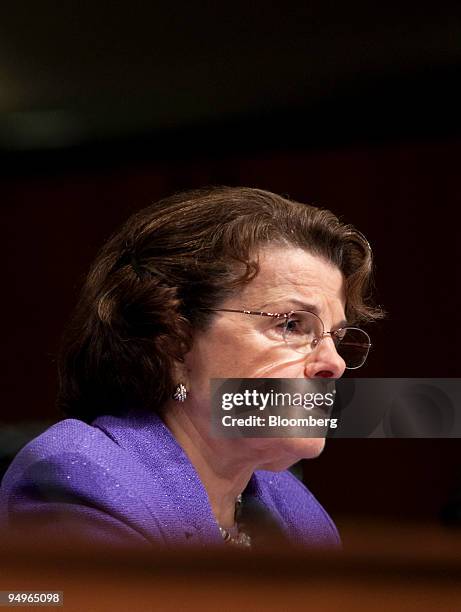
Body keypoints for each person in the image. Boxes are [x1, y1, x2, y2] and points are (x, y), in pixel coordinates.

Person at [0, 186, 383, 550]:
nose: (333, 363)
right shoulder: (82, 479)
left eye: (336, 335)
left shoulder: (297, 513)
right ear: (173, 341)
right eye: (291, 325)